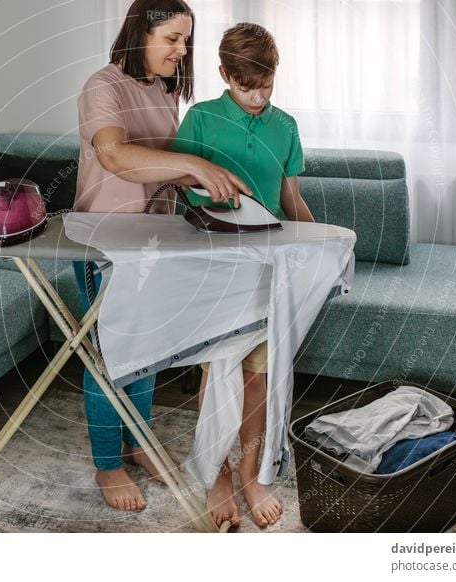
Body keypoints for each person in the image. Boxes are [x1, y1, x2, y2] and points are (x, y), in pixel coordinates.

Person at [73, 0, 252, 512]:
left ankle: (136, 442)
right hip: (105, 239)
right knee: (110, 354)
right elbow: (114, 155)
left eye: (186, 40)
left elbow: (157, 167)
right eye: (172, 38)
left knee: (147, 349)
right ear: (140, 33)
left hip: (154, 239)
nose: (182, 50)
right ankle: (107, 465)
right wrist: (192, 163)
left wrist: (207, 181)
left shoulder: (164, 89)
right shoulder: (102, 86)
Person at [169, 22, 315, 528]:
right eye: (245, 85)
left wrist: (321, 246)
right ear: (223, 74)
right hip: (213, 267)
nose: (257, 96)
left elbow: (290, 198)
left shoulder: (286, 126)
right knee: (217, 378)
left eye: (266, 84)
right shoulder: (202, 119)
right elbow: (180, 189)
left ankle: (251, 473)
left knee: (259, 377)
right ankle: (218, 474)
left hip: (267, 270)